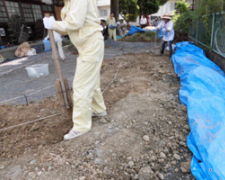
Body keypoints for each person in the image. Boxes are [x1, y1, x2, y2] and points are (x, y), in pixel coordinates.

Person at [43, 0, 107, 140]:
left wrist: (52, 24)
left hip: (91, 45)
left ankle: (81, 126)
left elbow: (74, 23)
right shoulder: (69, 2)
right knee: (92, 81)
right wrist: (55, 25)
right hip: (88, 45)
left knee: (81, 85)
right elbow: (69, 26)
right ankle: (99, 109)